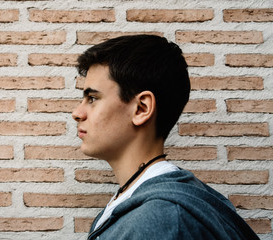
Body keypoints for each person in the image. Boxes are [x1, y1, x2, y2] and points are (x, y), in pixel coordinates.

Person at [72, 35, 259, 240]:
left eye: (92, 98)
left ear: (141, 108)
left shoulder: (161, 220)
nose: (77, 113)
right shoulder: (152, 201)